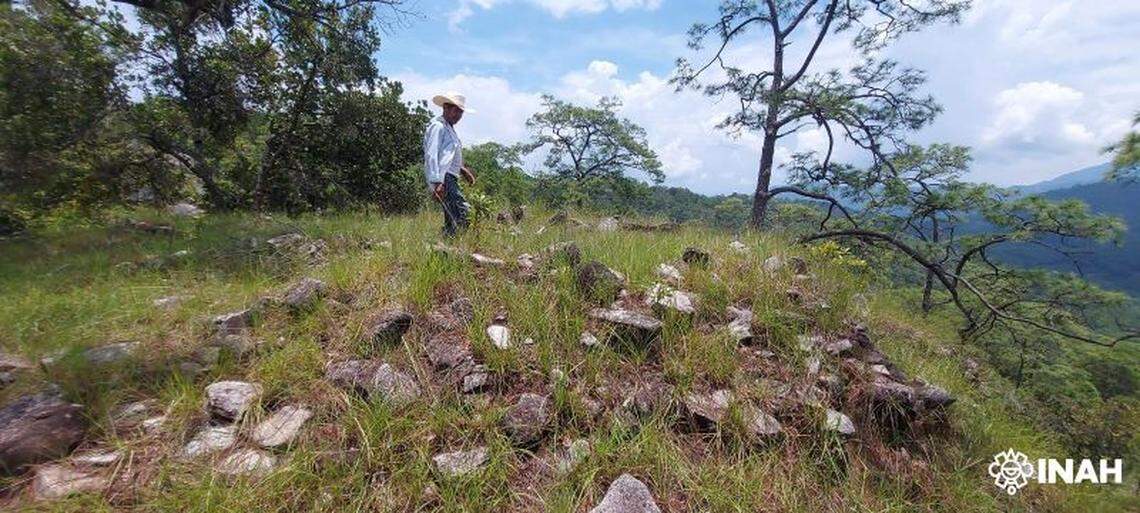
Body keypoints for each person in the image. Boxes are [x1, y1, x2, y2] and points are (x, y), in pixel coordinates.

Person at [423, 92, 476, 237]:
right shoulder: (438, 126)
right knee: (462, 212)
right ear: (445, 107)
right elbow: (431, 154)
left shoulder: (449, 128)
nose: (458, 115)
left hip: (451, 177)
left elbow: (448, 156)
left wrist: (463, 171)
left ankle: (447, 244)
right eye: (455, 110)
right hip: (444, 178)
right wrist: (436, 182)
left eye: (461, 112)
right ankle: (453, 242)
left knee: (453, 214)